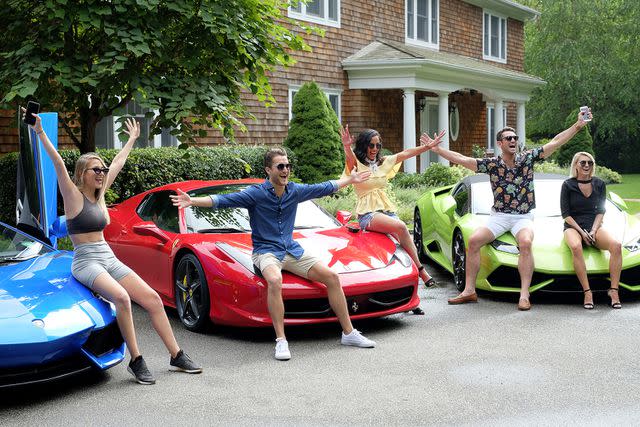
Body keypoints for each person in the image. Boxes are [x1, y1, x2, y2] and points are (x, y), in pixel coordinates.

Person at [27, 110, 201, 384]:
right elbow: (58, 163)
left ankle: (176, 354)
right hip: (86, 262)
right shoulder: (73, 197)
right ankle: (136, 360)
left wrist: (132, 139)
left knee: (153, 300)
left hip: (108, 257)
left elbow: (118, 162)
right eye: (96, 169)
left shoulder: (100, 195)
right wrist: (39, 132)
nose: (102, 173)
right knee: (121, 297)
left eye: (103, 170)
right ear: (82, 174)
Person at [170, 147, 376, 361]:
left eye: (287, 166)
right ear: (269, 170)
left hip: (291, 249)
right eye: (280, 166)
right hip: (265, 252)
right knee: (275, 280)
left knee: (332, 277)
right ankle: (281, 340)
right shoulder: (256, 193)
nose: (285, 170)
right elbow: (224, 200)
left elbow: (323, 187)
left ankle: (349, 333)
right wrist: (192, 201)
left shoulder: (294, 190)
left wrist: (350, 180)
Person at [424, 108, 591, 310]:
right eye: (508, 138)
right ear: (500, 143)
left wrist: (577, 126)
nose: (513, 141)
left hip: (523, 216)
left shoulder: (527, 158)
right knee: (474, 240)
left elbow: (556, 142)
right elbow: (462, 159)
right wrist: (438, 150)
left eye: (515, 137)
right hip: (500, 216)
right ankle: (469, 291)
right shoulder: (492, 164)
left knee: (525, 242)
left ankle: (524, 295)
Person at [340, 126, 445, 314]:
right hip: (368, 215)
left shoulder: (383, 163)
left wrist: (427, 147)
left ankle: (410, 302)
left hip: (386, 211)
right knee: (401, 227)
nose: (374, 149)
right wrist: (346, 146)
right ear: (364, 145)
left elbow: (406, 153)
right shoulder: (356, 163)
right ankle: (422, 271)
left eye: (377, 145)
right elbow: (349, 161)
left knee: (402, 252)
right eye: (371, 145)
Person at [561, 152, 622, 309]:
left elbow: (601, 210)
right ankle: (587, 292)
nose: (587, 165)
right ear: (576, 165)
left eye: (590, 162)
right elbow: (566, 215)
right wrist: (582, 233)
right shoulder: (567, 185)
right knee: (576, 246)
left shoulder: (600, 184)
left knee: (616, 245)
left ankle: (614, 291)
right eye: (583, 163)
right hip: (573, 226)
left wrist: (594, 230)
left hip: (594, 225)